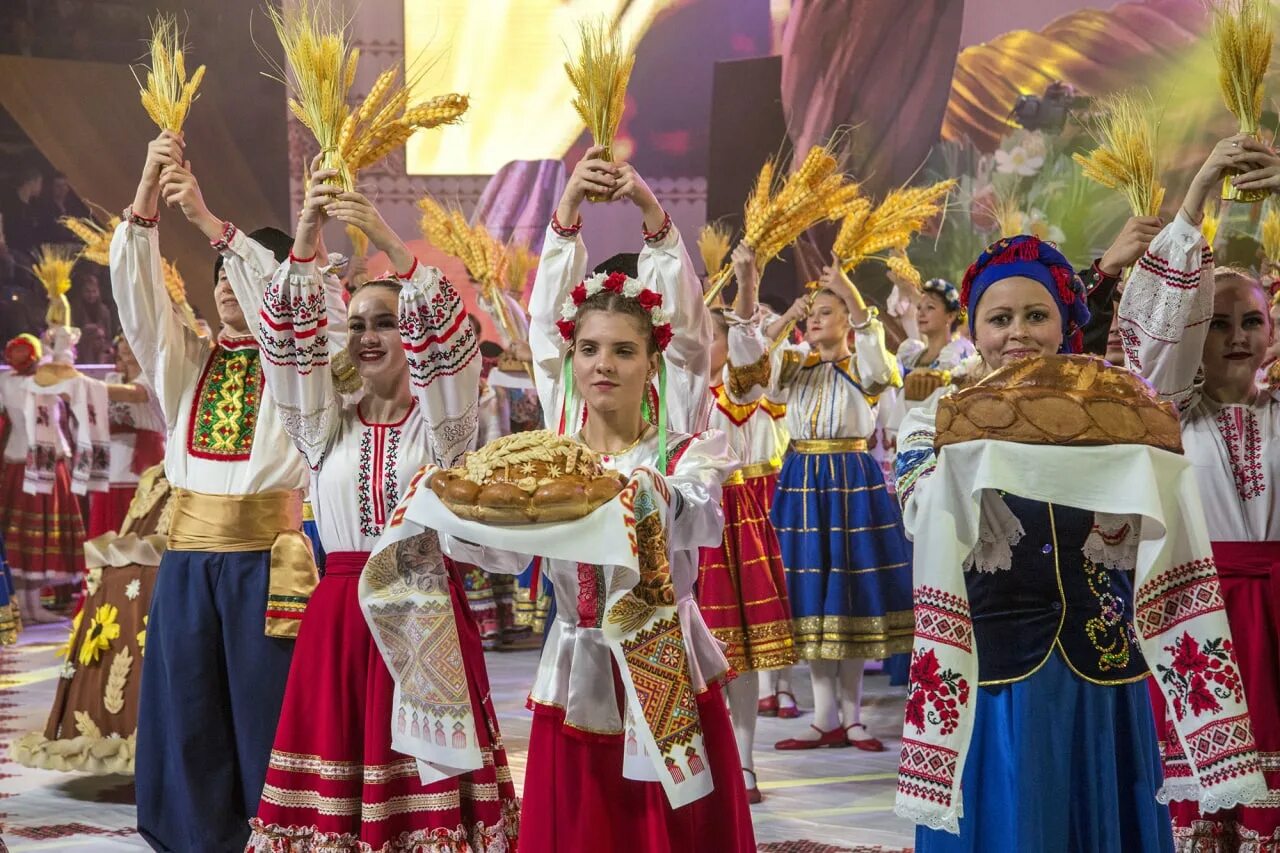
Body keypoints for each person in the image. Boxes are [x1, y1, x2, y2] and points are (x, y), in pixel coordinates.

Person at [894, 148, 1270, 847]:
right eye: (998, 318)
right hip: (997, 678)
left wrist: (1186, 211)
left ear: (1066, 324)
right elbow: (924, 513)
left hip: (1107, 675)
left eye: (1036, 314)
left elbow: (1161, 375)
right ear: (973, 329)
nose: (1017, 334)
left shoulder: (1113, 406)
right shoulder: (934, 417)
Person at [457, 148, 753, 851]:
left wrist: (653, 213)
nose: (602, 364)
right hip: (579, 662)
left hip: (667, 660)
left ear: (654, 359)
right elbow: (545, 331)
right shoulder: (556, 451)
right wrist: (564, 217)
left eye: (624, 350)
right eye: (589, 349)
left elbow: (699, 516)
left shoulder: (682, 452)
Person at [220, 169, 518, 849]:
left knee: (424, 799)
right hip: (341, 623)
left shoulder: (442, 428)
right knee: (339, 794)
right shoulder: (325, 426)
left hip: (424, 617)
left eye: (387, 321)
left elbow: (454, 346)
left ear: (411, 328)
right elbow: (288, 352)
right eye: (356, 324)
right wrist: (304, 236)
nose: (369, 336)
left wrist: (387, 239)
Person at [110, 129, 334, 851]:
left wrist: (210, 221)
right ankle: (194, 838)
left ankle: (278, 833)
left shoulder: (299, 371)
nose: (228, 290)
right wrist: (147, 196)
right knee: (191, 709)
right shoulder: (189, 365)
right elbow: (143, 311)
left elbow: (298, 305)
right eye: (219, 279)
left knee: (266, 711)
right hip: (186, 561)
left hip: (266, 563)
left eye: (242, 277)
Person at [1121, 133, 1280, 852]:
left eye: (1252, 320)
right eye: (1217, 324)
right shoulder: (1170, 415)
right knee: (1207, 809)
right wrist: (1197, 199)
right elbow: (1154, 350)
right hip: (1197, 620)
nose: (1237, 336)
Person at [727, 246, 912, 752]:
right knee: (809, 599)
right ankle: (824, 716)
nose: (815, 321)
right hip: (803, 478)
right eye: (812, 314)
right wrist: (788, 316)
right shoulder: (794, 367)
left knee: (849, 597)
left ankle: (852, 717)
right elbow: (750, 371)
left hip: (852, 479)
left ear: (847, 320)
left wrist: (851, 296)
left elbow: (877, 365)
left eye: (823, 312)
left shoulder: (868, 362)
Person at [700, 242, 796, 802]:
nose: (701, 346)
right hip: (673, 522)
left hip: (728, 523)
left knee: (737, 653)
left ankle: (744, 761)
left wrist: (747, 289)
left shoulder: (731, 393)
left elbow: (749, 364)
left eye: (709, 336)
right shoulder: (664, 391)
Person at [87, 336, 165, 538]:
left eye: (131, 338)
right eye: (122, 340)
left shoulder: (152, 377)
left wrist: (85, 386)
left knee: (139, 519)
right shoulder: (112, 381)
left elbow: (134, 394)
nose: (126, 344)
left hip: (144, 459)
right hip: (112, 458)